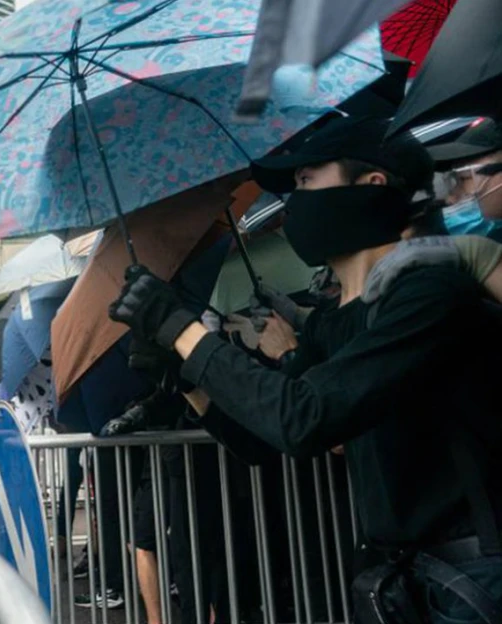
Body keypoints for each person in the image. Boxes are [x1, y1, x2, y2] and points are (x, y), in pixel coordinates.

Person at [109, 116, 502, 623]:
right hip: (407, 585)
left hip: (474, 581)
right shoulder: (332, 323)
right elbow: (265, 438)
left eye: (306, 181)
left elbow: (305, 417)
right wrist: (184, 375)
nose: (295, 203)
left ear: (372, 185)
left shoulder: (429, 290)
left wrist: (183, 330)